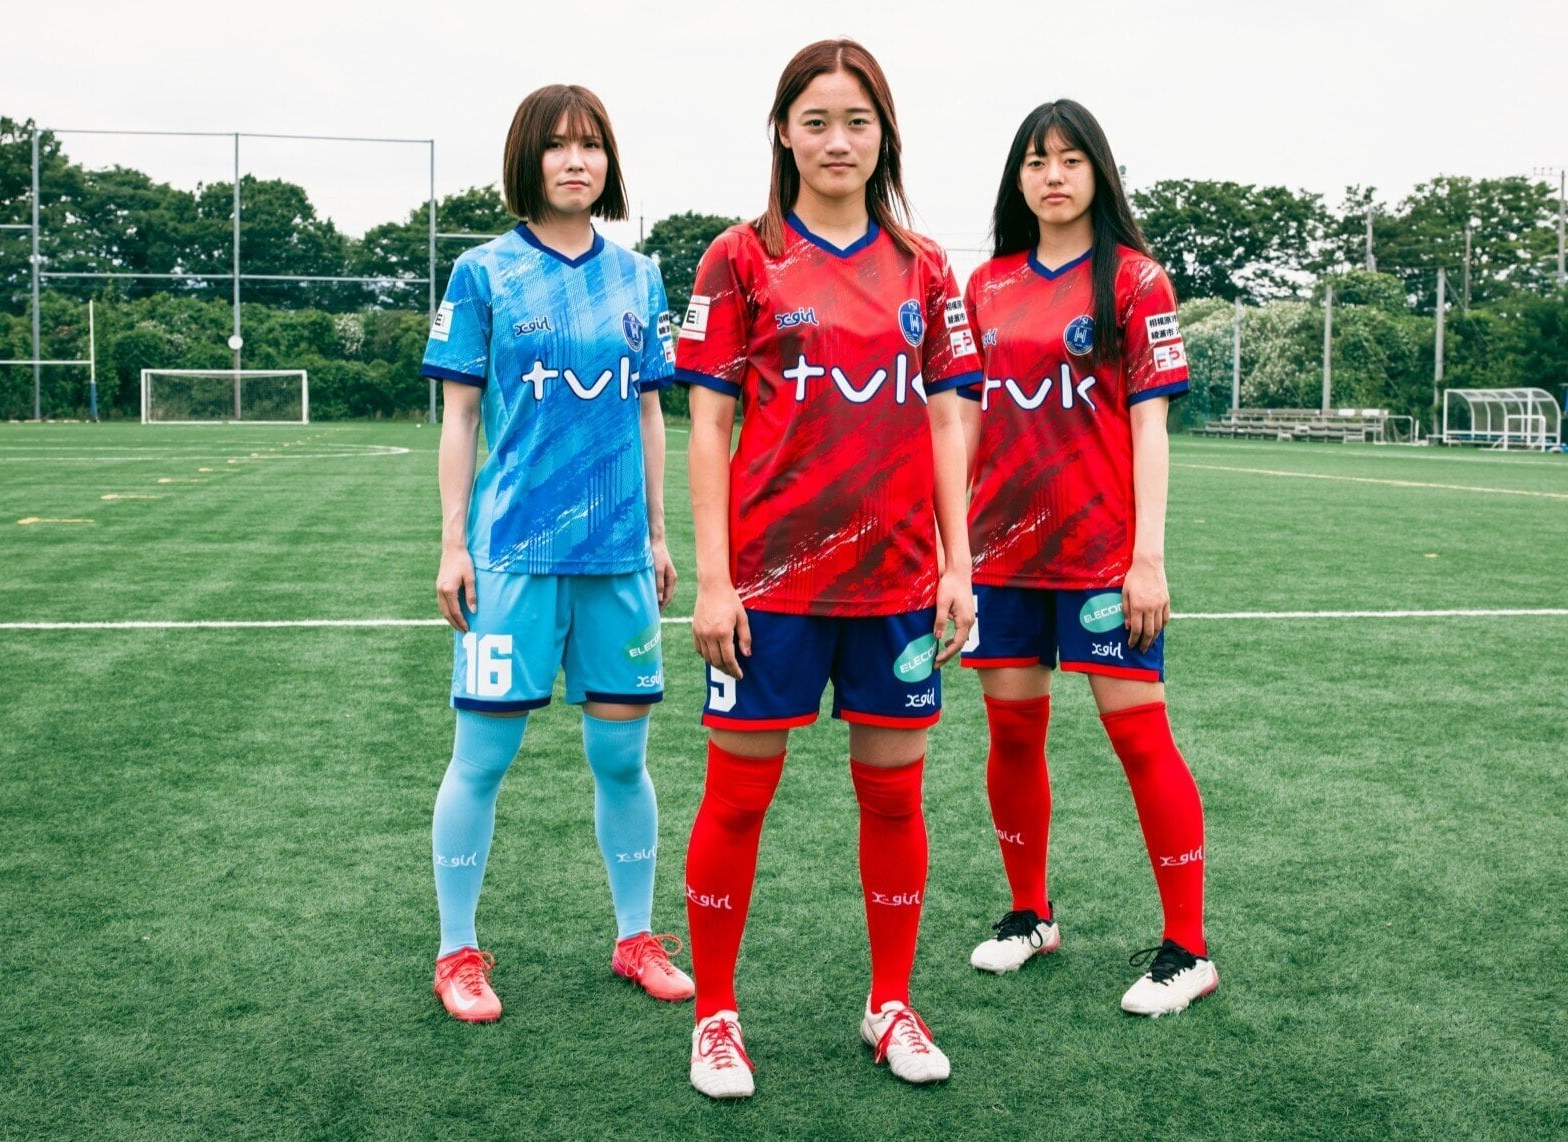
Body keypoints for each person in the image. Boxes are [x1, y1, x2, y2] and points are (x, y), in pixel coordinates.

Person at [674, 39, 979, 1098]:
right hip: (768, 585)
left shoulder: (926, 266)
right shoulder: (739, 258)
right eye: (816, 121)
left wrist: (958, 564)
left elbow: (946, 419)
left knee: (894, 797)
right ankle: (716, 1015)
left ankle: (889, 1002)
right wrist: (714, 579)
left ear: (884, 134)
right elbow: (708, 428)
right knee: (736, 799)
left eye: (858, 121)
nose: (837, 140)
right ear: (783, 133)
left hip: (896, 583)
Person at [421, 83, 692, 1022]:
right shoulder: (482, 273)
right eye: (557, 145)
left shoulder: (640, 277)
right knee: (482, 758)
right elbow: (460, 417)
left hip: (616, 561)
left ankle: (635, 936)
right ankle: (456, 951)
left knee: (622, 757)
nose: (576, 161)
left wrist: (658, 535)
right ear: (527, 160)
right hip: (513, 559)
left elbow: (650, 412)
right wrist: (453, 545)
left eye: (591, 145)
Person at [958, 99, 1218, 1017]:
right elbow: (961, 424)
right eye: (1036, 161)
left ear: (1098, 172)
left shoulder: (1137, 282)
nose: (1053, 176)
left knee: (1139, 737)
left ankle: (1186, 948)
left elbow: (1150, 428)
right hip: (999, 553)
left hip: (1102, 554)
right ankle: (1030, 914)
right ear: (1017, 178)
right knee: (1011, 735)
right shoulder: (984, 285)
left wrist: (1148, 558)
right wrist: (952, 551)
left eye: (1070, 159)